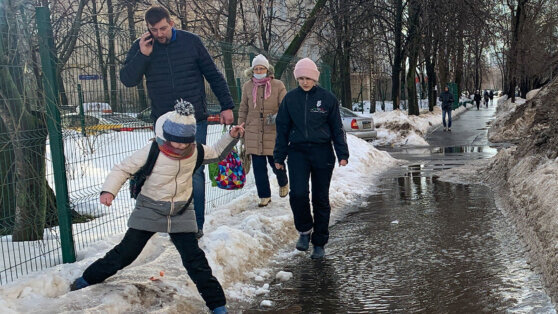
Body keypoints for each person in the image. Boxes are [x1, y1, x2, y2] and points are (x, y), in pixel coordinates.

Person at [70, 101, 244, 314]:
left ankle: (217, 305)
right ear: (166, 135)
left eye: (184, 142)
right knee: (126, 252)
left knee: (195, 261)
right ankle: (88, 278)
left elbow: (217, 153)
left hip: (181, 211)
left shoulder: (196, 150)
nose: (179, 146)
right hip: (149, 208)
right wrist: (108, 191)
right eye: (175, 141)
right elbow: (122, 168)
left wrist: (232, 136)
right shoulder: (152, 149)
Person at [119, 6, 235, 238]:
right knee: (164, 171)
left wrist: (227, 106)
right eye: (154, 29)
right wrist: (142, 55)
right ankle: (167, 221)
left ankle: (194, 226)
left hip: (194, 120)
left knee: (193, 171)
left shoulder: (192, 42)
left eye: (163, 28)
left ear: (171, 23)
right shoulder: (143, 45)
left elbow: (213, 74)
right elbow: (128, 80)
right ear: (148, 28)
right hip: (163, 123)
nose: (160, 34)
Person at [274, 58, 349, 260]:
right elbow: (282, 129)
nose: (304, 82)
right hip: (297, 152)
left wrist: (342, 153)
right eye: (300, 78)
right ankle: (305, 230)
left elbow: (337, 128)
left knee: (320, 198)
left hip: (322, 153)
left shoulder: (328, 99)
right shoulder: (290, 100)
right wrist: (279, 155)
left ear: (315, 78)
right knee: (298, 194)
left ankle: (319, 242)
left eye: (308, 78)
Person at [238, 54, 289, 207]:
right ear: (252, 70)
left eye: (262, 68)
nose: (259, 71)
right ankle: (264, 195)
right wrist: (241, 126)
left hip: (272, 129)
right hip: (253, 129)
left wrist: (277, 117)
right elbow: (243, 108)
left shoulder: (278, 85)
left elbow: (285, 107)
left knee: (276, 162)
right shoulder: (247, 86)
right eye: (256, 68)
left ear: (267, 70)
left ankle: (283, 181)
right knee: (258, 167)